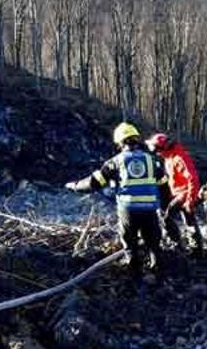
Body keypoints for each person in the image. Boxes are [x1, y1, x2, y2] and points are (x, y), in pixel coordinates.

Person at [65, 122, 164, 287]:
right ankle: (157, 271)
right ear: (137, 140)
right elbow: (162, 180)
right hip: (149, 209)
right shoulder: (152, 160)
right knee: (153, 240)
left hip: (128, 209)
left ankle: (134, 273)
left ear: (120, 143)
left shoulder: (115, 162)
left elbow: (95, 182)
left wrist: (75, 186)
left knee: (130, 241)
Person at [145, 133, 203, 254]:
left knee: (167, 216)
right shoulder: (169, 157)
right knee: (189, 220)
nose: (156, 153)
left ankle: (178, 243)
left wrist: (189, 200)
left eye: (157, 150)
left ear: (163, 148)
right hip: (177, 192)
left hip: (184, 193)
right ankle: (196, 249)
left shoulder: (178, 158)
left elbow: (193, 179)